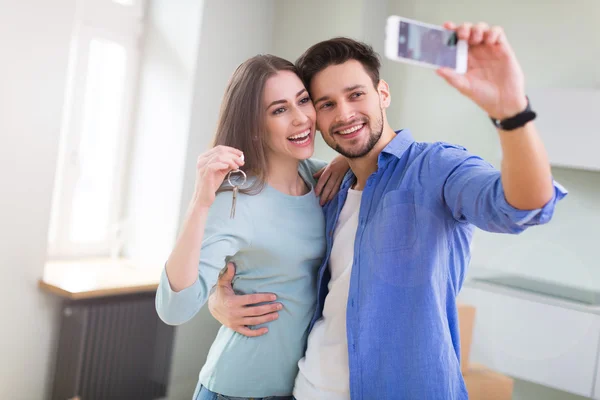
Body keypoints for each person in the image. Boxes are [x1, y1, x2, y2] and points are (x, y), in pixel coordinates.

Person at [208, 22, 567, 399]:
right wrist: (219, 297)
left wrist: (511, 112)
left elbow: (524, 206)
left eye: (355, 95)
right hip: (307, 389)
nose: (344, 114)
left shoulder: (436, 168)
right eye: (326, 104)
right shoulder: (327, 188)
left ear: (383, 94)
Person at [155, 54, 350, 400]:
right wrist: (201, 200)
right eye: (279, 110)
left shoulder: (322, 178)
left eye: (303, 100)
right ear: (254, 127)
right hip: (237, 391)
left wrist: (345, 158)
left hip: (303, 390)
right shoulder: (233, 200)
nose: (301, 117)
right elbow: (174, 309)